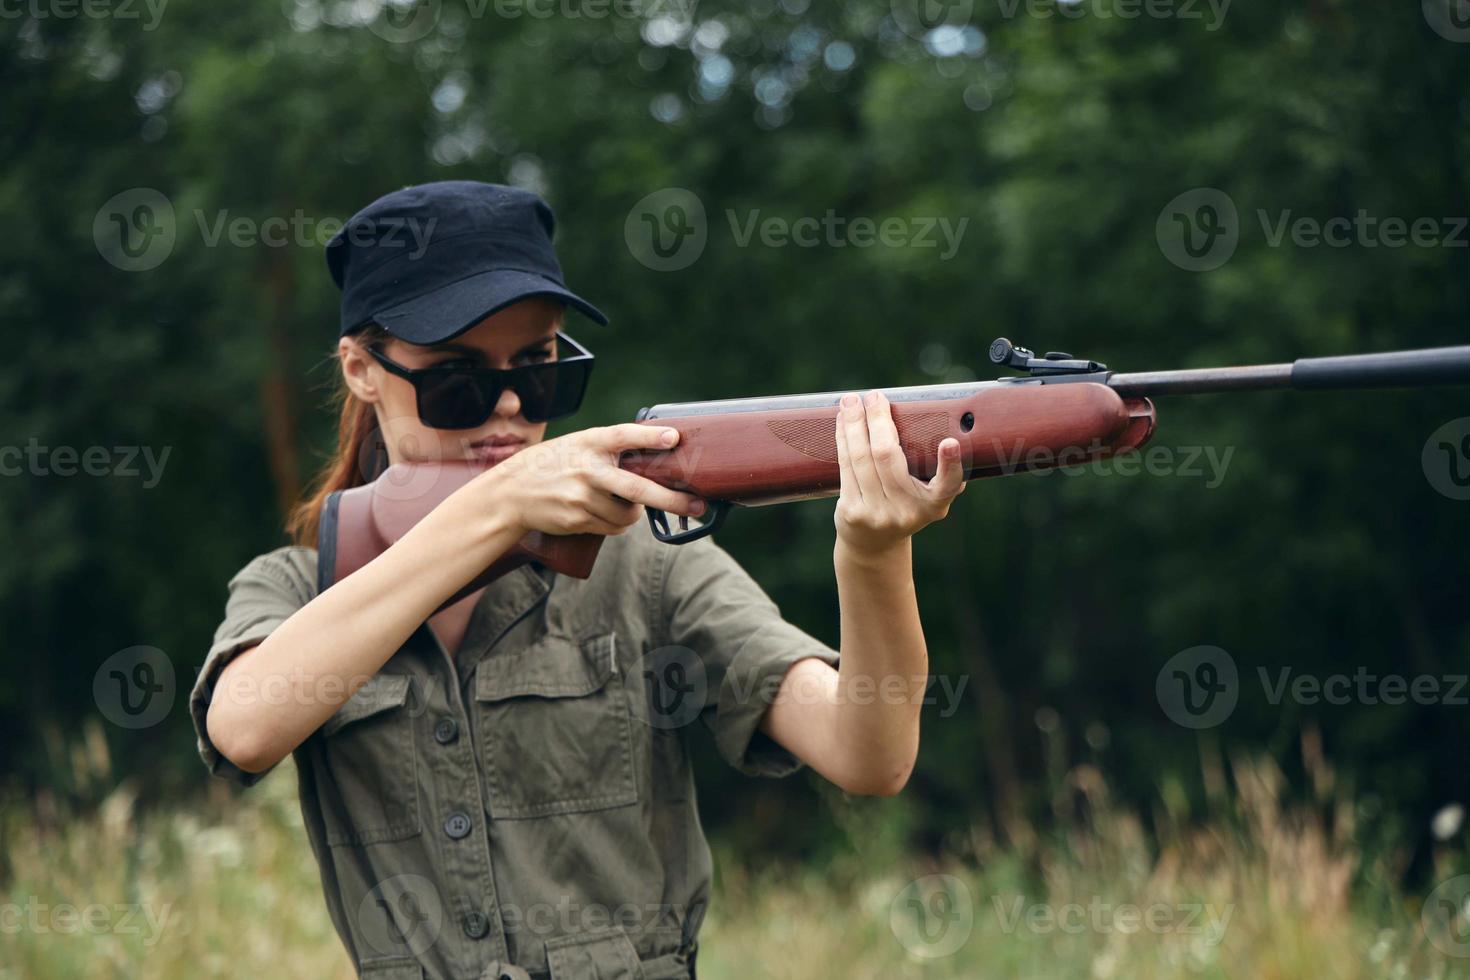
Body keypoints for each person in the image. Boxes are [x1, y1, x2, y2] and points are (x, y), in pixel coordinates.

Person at [188, 180, 966, 980]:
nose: (514, 406)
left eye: (541, 367)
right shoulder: (297, 587)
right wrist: (497, 510)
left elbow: (869, 754)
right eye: (458, 379)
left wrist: (871, 557)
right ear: (359, 369)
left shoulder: (650, 559)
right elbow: (244, 728)